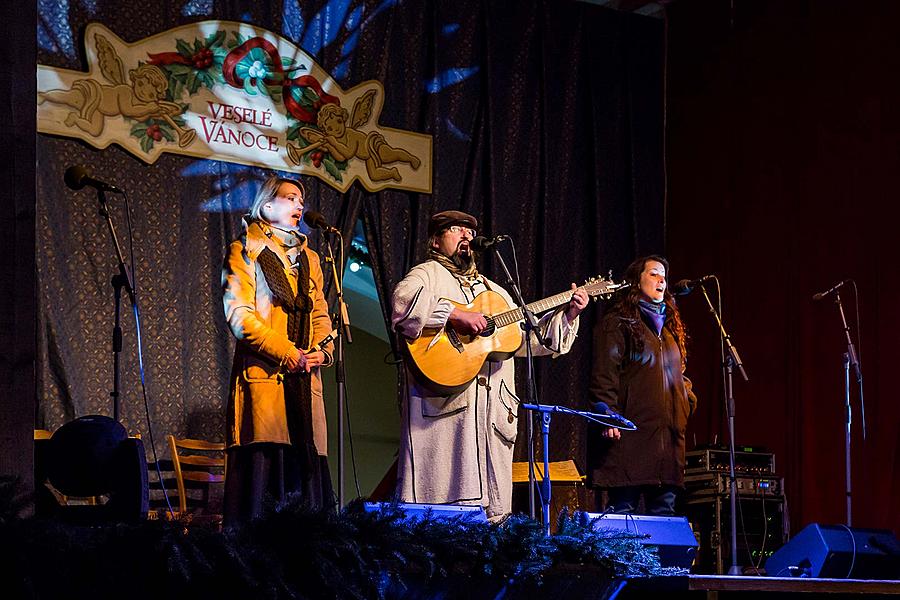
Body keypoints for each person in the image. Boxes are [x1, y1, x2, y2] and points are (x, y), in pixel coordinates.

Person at [390, 210, 589, 519]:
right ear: (435, 241)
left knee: (491, 520)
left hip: (491, 416)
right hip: (447, 415)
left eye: (469, 230)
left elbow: (526, 340)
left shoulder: (494, 291)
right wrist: (456, 315)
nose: (466, 236)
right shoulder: (427, 274)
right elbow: (403, 304)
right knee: (439, 513)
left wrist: (569, 315)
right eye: (455, 230)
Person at [222, 175, 334, 525]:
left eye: (301, 199)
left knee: (310, 499)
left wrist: (321, 352)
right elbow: (240, 317)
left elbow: (321, 315)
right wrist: (288, 353)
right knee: (263, 499)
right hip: (267, 381)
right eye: (289, 198)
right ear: (267, 204)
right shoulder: (244, 249)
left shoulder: (311, 259)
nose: (299, 205)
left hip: (304, 384)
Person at [588, 255, 697, 516]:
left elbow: (679, 376)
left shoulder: (670, 332)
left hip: (668, 448)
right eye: (653, 274)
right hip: (630, 442)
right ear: (636, 281)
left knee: (664, 525)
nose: (661, 280)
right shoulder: (618, 324)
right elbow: (604, 375)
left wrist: (686, 402)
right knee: (621, 523)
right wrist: (607, 416)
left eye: (664, 276)